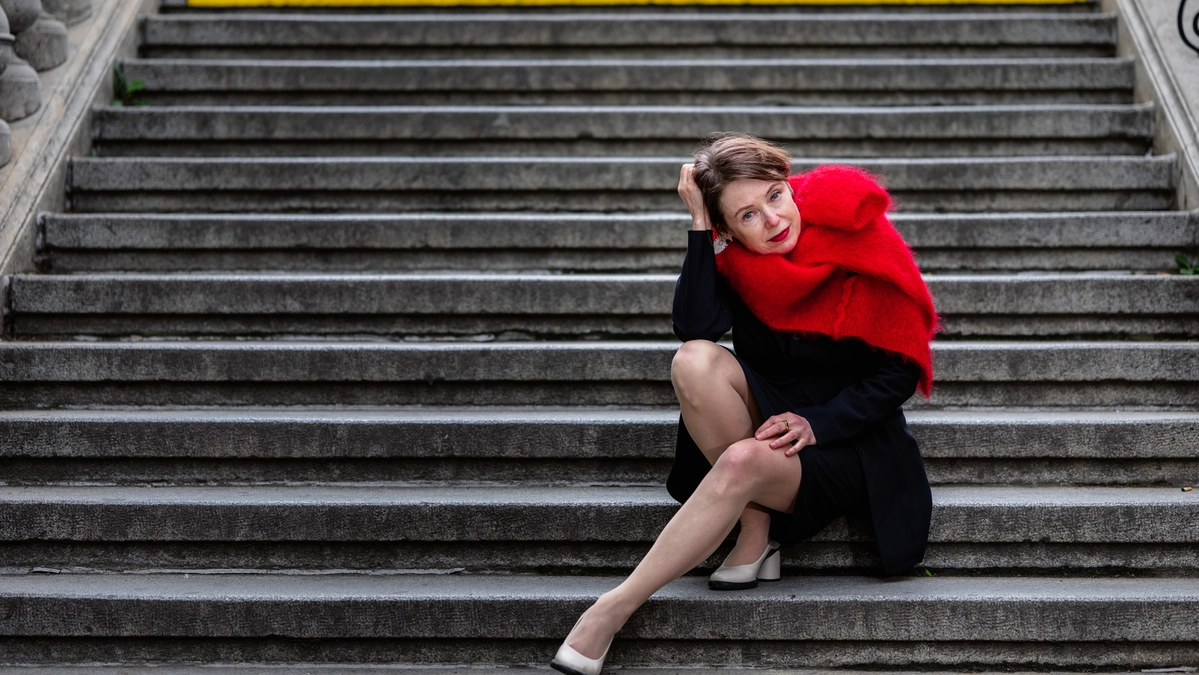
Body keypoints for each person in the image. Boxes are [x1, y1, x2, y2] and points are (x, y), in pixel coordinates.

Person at [550, 133, 939, 675]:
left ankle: (612, 609)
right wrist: (699, 227)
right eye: (748, 216)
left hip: (850, 442)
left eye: (776, 196)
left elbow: (897, 373)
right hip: (773, 414)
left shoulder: (857, 238)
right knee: (694, 359)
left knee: (739, 460)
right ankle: (755, 531)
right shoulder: (738, 259)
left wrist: (818, 422)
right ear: (729, 229)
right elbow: (695, 326)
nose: (774, 220)